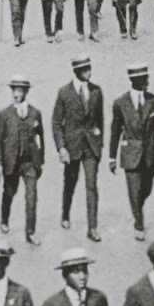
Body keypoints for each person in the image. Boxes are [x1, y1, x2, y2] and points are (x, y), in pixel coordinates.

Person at [108, 63, 154, 241]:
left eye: (147, 78)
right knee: (134, 189)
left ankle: (138, 207)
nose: (147, 82)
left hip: (150, 153)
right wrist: (111, 157)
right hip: (130, 153)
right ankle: (139, 222)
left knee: (146, 188)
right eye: (144, 79)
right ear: (135, 81)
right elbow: (115, 131)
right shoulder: (120, 103)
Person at [52, 56, 105, 242]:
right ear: (76, 72)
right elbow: (57, 123)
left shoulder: (97, 91)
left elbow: (100, 119)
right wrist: (61, 148)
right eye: (85, 70)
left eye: (89, 68)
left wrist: (100, 143)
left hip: (91, 147)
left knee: (91, 186)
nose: (89, 72)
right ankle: (65, 213)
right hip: (72, 146)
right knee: (70, 183)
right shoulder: (64, 92)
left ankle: (92, 227)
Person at [0, 74, 46, 245]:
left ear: (25, 92)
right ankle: (4, 219)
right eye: (14, 90)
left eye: (20, 90)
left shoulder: (35, 113)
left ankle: (30, 232)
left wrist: (40, 162)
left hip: (30, 163)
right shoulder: (4, 114)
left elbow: (40, 138)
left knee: (32, 197)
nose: (16, 94)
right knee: (9, 193)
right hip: (11, 163)